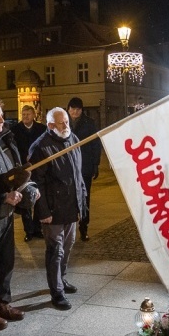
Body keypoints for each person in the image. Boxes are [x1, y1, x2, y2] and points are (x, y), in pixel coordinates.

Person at [0, 97, 38, 328]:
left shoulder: (6, 139)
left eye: (1, 115)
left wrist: (28, 188)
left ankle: (2, 302)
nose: (2, 119)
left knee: (6, 261)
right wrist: (3, 197)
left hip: (7, 213)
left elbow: (17, 172)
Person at [28, 107, 86, 310]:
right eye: (62, 123)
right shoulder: (41, 147)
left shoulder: (73, 138)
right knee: (55, 251)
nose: (66, 126)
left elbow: (78, 173)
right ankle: (57, 292)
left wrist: (82, 201)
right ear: (50, 125)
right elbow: (36, 182)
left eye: (67, 122)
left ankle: (61, 278)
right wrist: (43, 211)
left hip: (71, 206)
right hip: (53, 210)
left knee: (68, 246)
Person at [66, 97, 101, 241]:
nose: (75, 112)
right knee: (68, 198)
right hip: (67, 167)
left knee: (85, 198)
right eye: (72, 109)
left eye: (78, 109)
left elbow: (95, 144)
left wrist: (95, 164)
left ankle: (84, 226)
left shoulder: (89, 123)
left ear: (82, 110)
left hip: (84, 166)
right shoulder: (62, 122)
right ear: (68, 109)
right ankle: (69, 227)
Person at [11, 105, 46, 241]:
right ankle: (28, 231)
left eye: (28, 114)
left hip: (38, 168)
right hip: (22, 169)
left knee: (38, 198)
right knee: (25, 198)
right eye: (23, 114)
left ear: (33, 115)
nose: (25, 116)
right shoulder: (15, 130)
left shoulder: (41, 129)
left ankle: (38, 228)